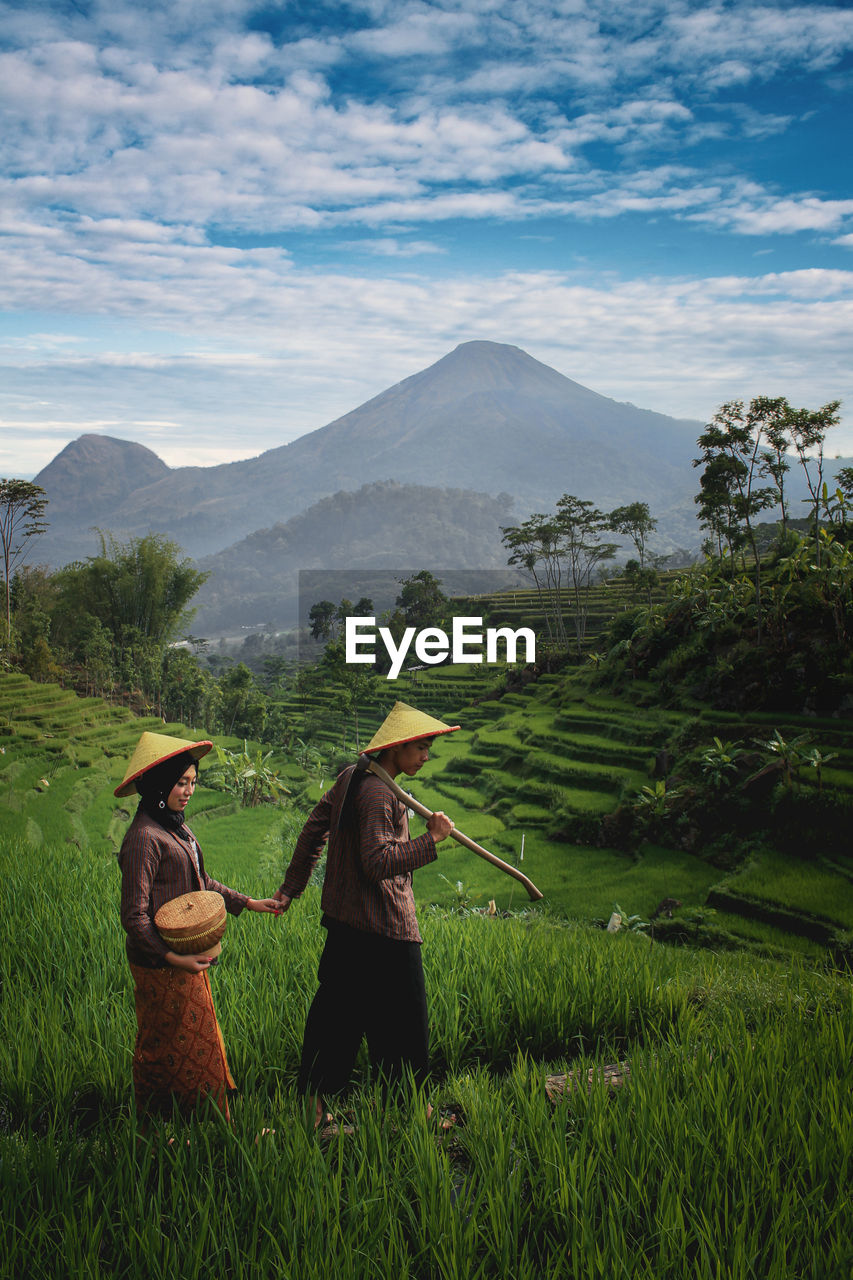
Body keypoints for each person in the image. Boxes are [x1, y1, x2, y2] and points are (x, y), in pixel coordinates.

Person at [274, 701, 459, 1130]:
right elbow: (377, 862)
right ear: (397, 748)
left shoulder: (351, 776)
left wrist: (291, 888)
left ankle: (314, 1108)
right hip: (384, 930)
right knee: (406, 1022)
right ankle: (416, 1111)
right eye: (423, 747)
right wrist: (432, 840)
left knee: (335, 1019)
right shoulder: (378, 792)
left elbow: (312, 828)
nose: (427, 756)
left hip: (345, 925)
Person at [115, 731, 279, 1124]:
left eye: (192, 782)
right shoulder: (144, 838)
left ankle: (200, 1120)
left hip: (184, 956)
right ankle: (164, 1124)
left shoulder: (174, 827)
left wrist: (248, 903)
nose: (188, 790)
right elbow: (134, 916)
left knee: (196, 1041)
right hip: (161, 964)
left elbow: (202, 883)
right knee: (164, 1045)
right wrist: (172, 957)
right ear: (158, 785)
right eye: (180, 782)